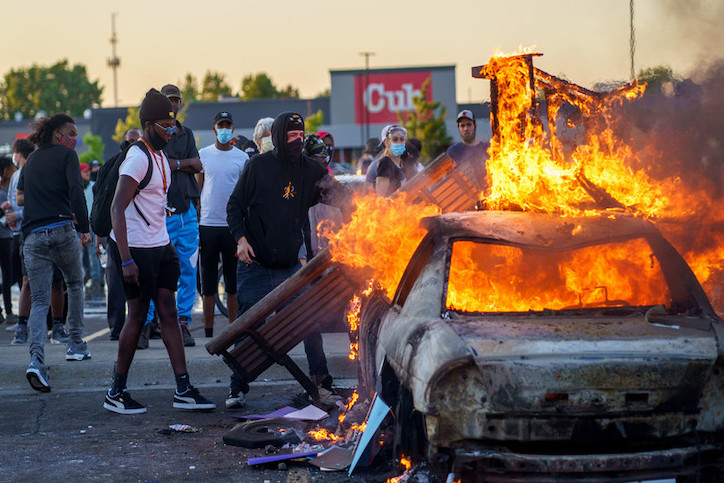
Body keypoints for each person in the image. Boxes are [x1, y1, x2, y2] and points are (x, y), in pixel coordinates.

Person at [225, 112, 351, 409]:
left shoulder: (310, 170)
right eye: (291, 136)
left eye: (300, 135)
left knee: (310, 321)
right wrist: (240, 240)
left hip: (290, 267)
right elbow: (234, 205)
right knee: (247, 327)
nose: (296, 142)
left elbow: (344, 198)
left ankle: (321, 385)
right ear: (280, 137)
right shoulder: (257, 166)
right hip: (255, 264)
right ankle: (237, 387)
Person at [103, 88, 215, 414]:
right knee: (137, 317)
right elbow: (116, 209)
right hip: (136, 249)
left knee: (168, 312)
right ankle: (116, 390)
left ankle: (183, 388)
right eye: (165, 125)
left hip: (161, 245)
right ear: (149, 123)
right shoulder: (137, 158)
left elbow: (154, 201)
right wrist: (125, 259)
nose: (171, 130)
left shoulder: (161, 158)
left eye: (173, 124)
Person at [18, 113, 91, 392]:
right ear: (57, 134)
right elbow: (76, 190)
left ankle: (36, 360)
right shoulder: (66, 156)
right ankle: (75, 343)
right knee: (74, 283)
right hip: (62, 228)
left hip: (33, 236)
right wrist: (84, 227)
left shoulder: (32, 159)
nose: (74, 139)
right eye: (70, 133)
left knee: (39, 300)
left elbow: (22, 196)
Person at [144, 84, 203, 348]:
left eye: (176, 100)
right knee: (154, 270)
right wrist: (184, 165)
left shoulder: (186, 133)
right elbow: (158, 165)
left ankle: (182, 322)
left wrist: (176, 164)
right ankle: (146, 323)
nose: (174, 105)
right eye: (169, 101)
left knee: (189, 269)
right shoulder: (156, 136)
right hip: (162, 212)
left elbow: (198, 164)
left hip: (187, 211)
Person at [196, 111, 248, 336]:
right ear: (214, 128)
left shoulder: (241, 158)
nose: (224, 129)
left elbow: (245, 195)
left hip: (232, 227)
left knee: (232, 282)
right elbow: (197, 190)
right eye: (221, 125)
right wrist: (196, 222)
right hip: (208, 225)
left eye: (228, 125)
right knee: (207, 283)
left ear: (233, 129)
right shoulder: (203, 155)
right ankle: (208, 331)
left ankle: (232, 331)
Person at [97, 128, 141, 341]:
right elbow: (101, 201)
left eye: (137, 140)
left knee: (144, 284)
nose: (133, 144)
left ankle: (142, 328)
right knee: (115, 284)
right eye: (130, 141)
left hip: (141, 233)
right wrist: (99, 234)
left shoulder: (147, 161)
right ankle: (117, 330)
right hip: (116, 233)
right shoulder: (113, 165)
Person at [5, 138, 33, 337]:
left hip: (27, 230)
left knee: (27, 278)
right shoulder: (15, 176)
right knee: (19, 276)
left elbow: (33, 200)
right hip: (16, 232)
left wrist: (18, 215)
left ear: (18, 154)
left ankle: (28, 321)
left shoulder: (29, 172)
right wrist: (7, 210)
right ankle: (25, 320)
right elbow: (10, 198)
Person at [446, 110, 489, 188]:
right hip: (467, 198)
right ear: (458, 128)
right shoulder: (453, 151)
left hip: (491, 195)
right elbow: (448, 180)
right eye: (462, 126)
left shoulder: (487, 148)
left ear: (475, 126)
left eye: (469, 124)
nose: (466, 128)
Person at [0, 156, 18, 323]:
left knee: (8, 275)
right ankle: (10, 313)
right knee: (9, 275)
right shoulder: (3, 192)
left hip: (6, 237)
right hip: (4, 237)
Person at [370, 124, 408, 197]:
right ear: (387, 143)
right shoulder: (386, 163)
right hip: (392, 207)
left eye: (402, 139)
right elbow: (381, 196)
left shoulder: (402, 163)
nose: (399, 142)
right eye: (395, 139)